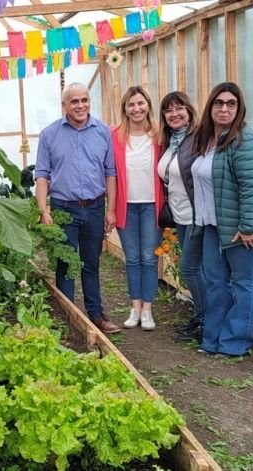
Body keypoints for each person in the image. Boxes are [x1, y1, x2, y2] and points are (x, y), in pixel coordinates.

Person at [191, 82, 253, 357]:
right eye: (218, 103)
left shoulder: (245, 141)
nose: (224, 108)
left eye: (231, 104)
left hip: (244, 228)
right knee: (216, 281)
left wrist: (248, 227)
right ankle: (212, 340)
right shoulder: (207, 139)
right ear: (210, 107)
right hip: (213, 225)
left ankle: (235, 344)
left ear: (239, 108)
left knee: (244, 282)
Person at [35, 83, 121, 334]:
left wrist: (110, 209)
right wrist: (44, 210)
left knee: (91, 263)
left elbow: (110, 173)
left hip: (95, 207)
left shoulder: (103, 131)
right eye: (74, 101)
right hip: (64, 208)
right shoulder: (49, 134)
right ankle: (68, 316)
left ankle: (96, 315)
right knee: (65, 263)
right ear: (64, 106)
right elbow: (42, 175)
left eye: (84, 100)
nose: (80, 105)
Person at [111, 86, 163, 331]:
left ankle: (148, 310)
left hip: (152, 206)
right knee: (132, 258)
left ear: (148, 106)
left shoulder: (159, 137)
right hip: (127, 206)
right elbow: (109, 174)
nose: (136, 108)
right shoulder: (115, 137)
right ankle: (135, 307)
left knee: (149, 258)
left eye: (140, 103)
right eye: (131, 104)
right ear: (125, 109)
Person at [157, 91, 206, 343]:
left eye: (179, 109)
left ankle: (204, 320)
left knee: (190, 266)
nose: (174, 114)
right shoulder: (171, 141)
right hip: (180, 215)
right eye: (168, 110)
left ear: (189, 111)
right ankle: (201, 317)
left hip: (196, 215)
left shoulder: (199, 138)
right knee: (192, 267)